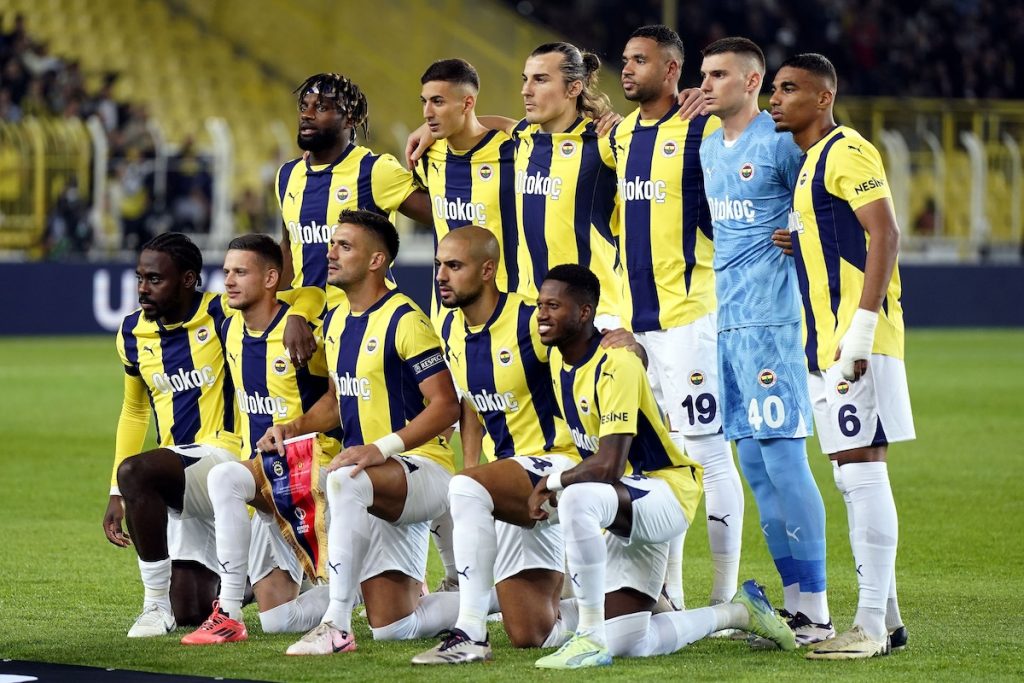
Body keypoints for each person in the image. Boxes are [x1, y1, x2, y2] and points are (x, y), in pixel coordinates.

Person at [527, 264, 795, 669]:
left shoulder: (615, 362)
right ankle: (740, 611)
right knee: (632, 641)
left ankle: (589, 637)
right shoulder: (557, 363)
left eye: (553, 306)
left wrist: (553, 481)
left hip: (664, 492)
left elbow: (610, 464)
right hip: (624, 506)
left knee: (576, 497)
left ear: (585, 313)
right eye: (539, 306)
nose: (542, 315)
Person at [254, 210, 463, 655]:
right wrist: (291, 427)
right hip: (371, 478)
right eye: (332, 243)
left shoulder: (405, 319)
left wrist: (380, 448)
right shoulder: (336, 321)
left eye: (344, 246)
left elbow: (447, 405)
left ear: (376, 260)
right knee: (393, 627)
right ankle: (495, 597)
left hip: (421, 469)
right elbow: (336, 401)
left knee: (342, 478)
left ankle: (336, 624)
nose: (330, 253)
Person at [102, 233, 322, 638]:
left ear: (188, 280)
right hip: (179, 476)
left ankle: (154, 606)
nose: (143, 289)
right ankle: (265, 577)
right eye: (140, 278)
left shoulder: (222, 313)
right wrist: (116, 491)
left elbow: (304, 295)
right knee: (190, 609)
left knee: (137, 471)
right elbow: (134, 410)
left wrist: (299, 316)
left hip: (225, 455)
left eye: (155, 279)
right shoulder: (131, 333)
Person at [770, 53, 914, 659]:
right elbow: (841, 235)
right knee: (848, 472)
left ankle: (870, 627)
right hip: (825, 342)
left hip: (856, 341)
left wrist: (861, 329)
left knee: (861, 470)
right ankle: (890, 620)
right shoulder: (809, 164)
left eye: (789, 88)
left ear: (823, 97)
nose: (775, 98)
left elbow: (885, 233)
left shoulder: (846, 149)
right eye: (774, 88)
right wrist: (802, 238)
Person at [598, 24, 743, 613]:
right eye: (625, 59)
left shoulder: (704, 129)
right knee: (658, 460)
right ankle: (671, 594)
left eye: (640, 60)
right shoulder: (620, 135)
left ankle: (725, 596)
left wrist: (714, 99)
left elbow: (756, 132)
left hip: (690, 323)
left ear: (672, 70)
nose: (627, 68)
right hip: (637, 329)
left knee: (708, 453)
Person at [697, 37, 832, 644]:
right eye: (704, 74)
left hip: (773, 325)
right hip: (728, 326)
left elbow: (828, 202)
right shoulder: (709, 146)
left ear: (751, 82)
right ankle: (795, 606)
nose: (706, 85)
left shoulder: (778, 143)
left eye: (718, 75)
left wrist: (801, 234)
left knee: (783, 459)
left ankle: (818, 608)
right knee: (753, 465)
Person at [410, 226, 581, 665]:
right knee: (530, 633)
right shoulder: (450, 327)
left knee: (465, 488)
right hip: (509, 482)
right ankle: (625, 607)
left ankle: (470, 633)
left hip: (559, 465)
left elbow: (589, 352)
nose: (441, 276)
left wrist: (624, 341)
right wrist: (471, 466)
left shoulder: (531, 319)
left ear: (487, 270)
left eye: (454, 266)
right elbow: (470, 403)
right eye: (438, 265)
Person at [178, 234, 338, 645]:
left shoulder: (304, 334)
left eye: (240, 272)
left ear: (270, 278)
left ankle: (229, 611)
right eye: (226, 271)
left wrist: (295, 427)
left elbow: (339, 401)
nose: (229, 281)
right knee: (279, 620)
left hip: (315, 470)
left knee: (225, 478)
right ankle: (352, 592)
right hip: (269, 478)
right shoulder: (230, 328)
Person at [276, 72, 432, 351]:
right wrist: (281, 314)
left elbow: (444, 215)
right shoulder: (287, 175)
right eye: (304, 106)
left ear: (350, 119)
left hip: (365, 327)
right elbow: (289, 247)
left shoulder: (375, 171)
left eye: (321, 107)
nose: (307, 115)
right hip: (306, 332)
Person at [414, 58, 520, 317]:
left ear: (467, 103)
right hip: (447, 317)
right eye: (424, 101)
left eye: (438, 102)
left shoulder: (514, 153)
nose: (427, 112)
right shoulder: (425, 155)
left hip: (508, 310)